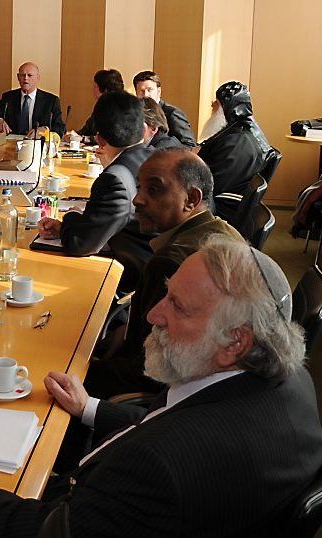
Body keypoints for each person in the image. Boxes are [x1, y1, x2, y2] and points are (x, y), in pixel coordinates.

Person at [0, 238, 322, 538]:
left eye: (179, 307)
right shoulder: (289, 381)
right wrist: (90, 407)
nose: (153, 314)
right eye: (167, 294)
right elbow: (173, 420)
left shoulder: (157, 466)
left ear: (236, 342)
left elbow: (34, 534)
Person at [84, 149, 244, 398]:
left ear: (190, 199)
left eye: (154, 190)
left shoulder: (173, 262)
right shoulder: (222, 230)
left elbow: (151, 368)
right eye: (139, 187)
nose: (137, 199)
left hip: (165, 391)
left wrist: (80, 373)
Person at [38, 91, 153, 260]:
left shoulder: (115, 179)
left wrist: (72, 216)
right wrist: (65, 228)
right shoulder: (154, 157)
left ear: (99, 140)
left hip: (135, 273)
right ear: (144, 129)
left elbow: (81, 244)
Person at [198, 81, 272, 220]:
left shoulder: (238, 141)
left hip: (220, 209)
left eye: (217, 103)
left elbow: (211, 184)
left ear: (229, 107)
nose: (212, 105)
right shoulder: (242, 130)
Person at [0, 62, 65, 136]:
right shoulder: (8, 97)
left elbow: (61, 129)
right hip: (11, 144)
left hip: (37, 145)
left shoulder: (51, 100)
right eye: (22, 75)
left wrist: (44, 130)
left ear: (38, 78)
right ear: (18, 77)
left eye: (29, 75)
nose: (25, 78)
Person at [133, 70, 196, 146]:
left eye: (150, 90)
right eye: (141, 91)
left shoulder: (172, 113)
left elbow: (190, 145)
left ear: (159, 91)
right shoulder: (134, 112)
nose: (146, 94)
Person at [77, 69, 124, 138]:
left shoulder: (122, 108)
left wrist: (84, 139)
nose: (93, 90)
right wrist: (74, 135)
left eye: (95, 86)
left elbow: (110, 137)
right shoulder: (100, 105)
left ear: (105, 90)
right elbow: (87, 129)